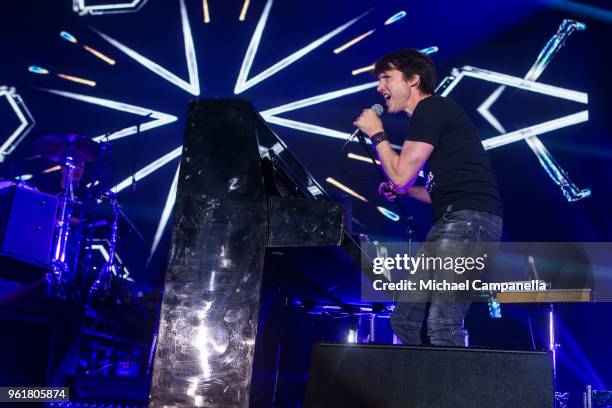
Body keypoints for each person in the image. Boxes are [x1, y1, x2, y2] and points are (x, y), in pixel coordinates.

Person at [353, 49, 503, 346]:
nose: (379, 87)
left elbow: (399, 174)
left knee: (443, 323)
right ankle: (422, 387)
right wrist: (406, 191)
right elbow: (431, 189)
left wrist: (377, 134)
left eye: (386, 78)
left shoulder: (432, 108)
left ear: (413, 80)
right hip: (451, 222)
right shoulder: (429, 115)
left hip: (469, 223)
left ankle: (453, 391)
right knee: (404, 319)